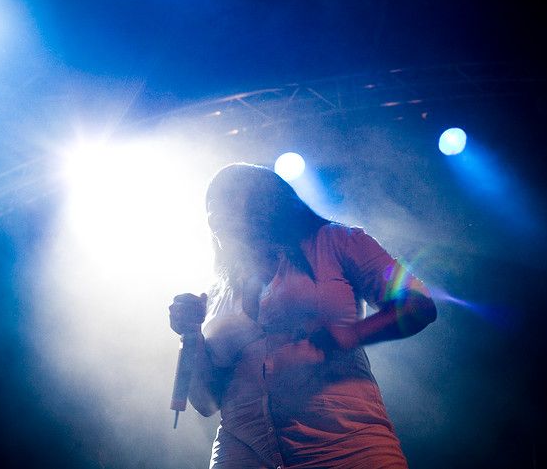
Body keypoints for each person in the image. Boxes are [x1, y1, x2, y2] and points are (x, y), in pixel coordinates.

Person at [169, 163, 437, 469]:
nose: (214, 211)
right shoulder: (216, 292)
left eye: (227, 196)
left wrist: (350, 335)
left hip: (347, 449)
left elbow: (419, 304)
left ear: (267, 198)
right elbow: (205, 403)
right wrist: (189, 335)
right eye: (209, 205)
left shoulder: (338, 241)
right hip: (241, 453)